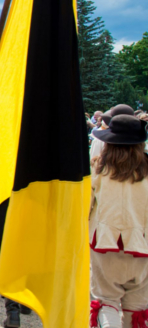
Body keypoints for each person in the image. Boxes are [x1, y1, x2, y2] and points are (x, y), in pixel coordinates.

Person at [89, 115, 148, 328]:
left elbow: (85, 207)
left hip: (105, 244)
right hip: (142, 246)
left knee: (107, 301)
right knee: (137, 308)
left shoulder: (98, 168)